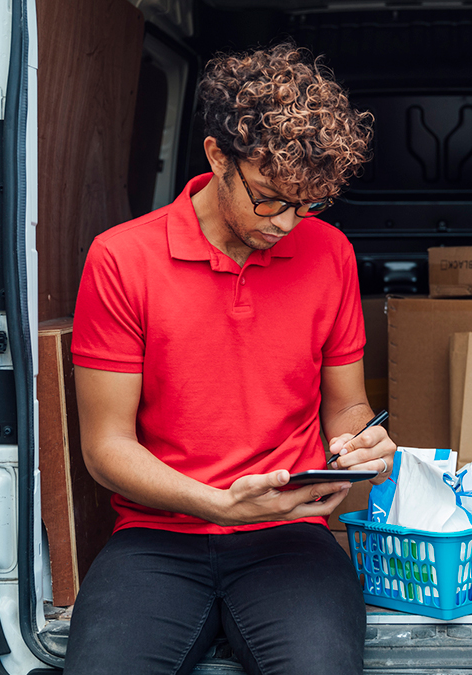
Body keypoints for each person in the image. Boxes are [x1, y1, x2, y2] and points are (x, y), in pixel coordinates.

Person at [64, 42, 391, 675]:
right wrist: (215, 504)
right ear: (218, 156)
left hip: (291, 535)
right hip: (156, 537)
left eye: (308, 203)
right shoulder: (121, 258)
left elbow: (346, 404)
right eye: (270, 197)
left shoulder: (330, 254)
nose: (288, 222)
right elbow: (105, 447)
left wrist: (360, 448)